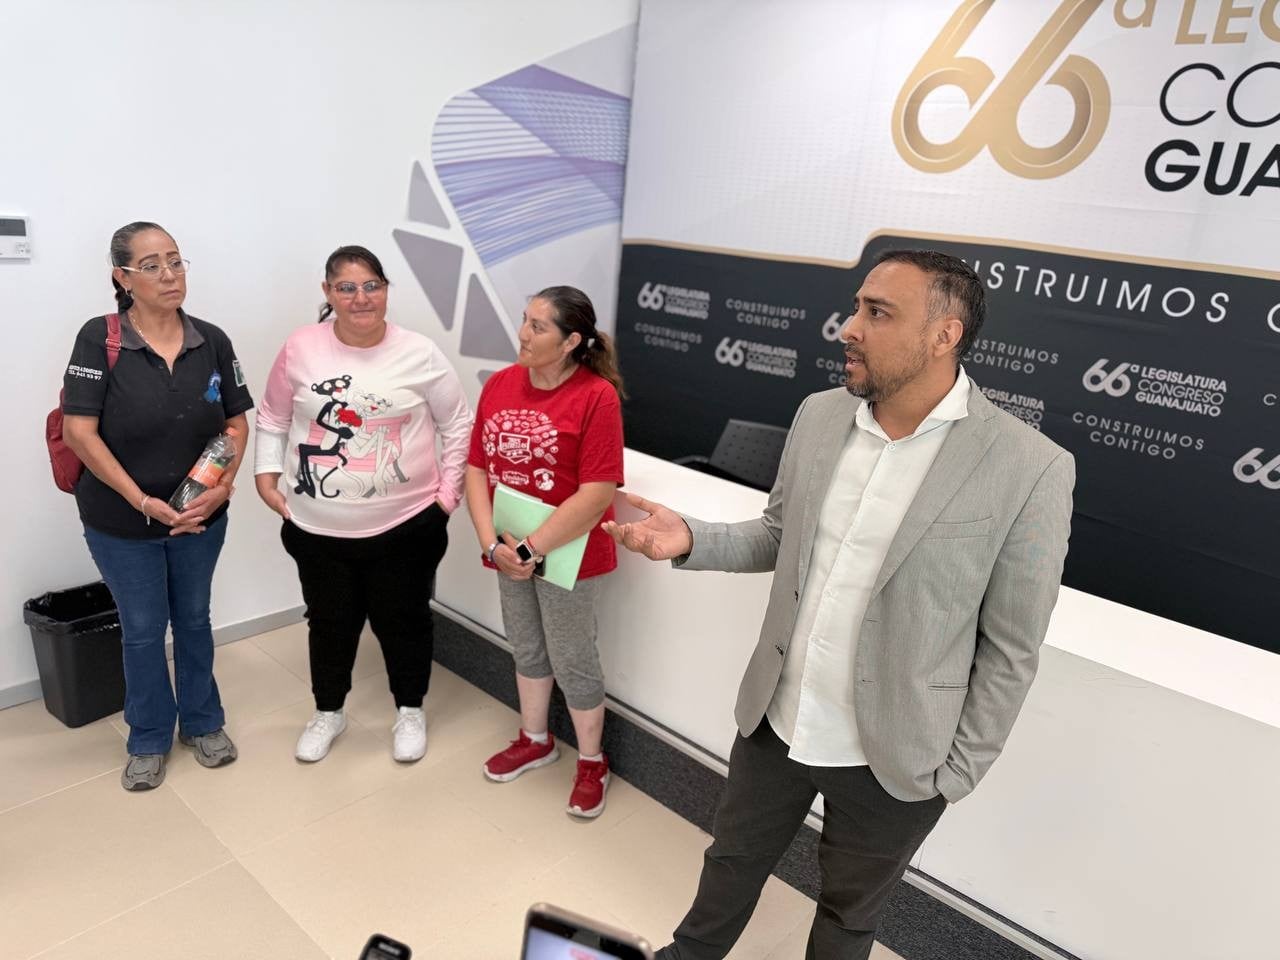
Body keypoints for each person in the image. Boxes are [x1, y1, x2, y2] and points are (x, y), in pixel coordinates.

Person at [604, 250, 1075, 959]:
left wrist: (955, 774)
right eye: (857, 307)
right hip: (776, 720)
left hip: (897, 759)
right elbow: (778, 534)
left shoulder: (1030, 465)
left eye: (877, 313)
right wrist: (692, 539)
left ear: (944, 335)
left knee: (848, 918)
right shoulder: (820, 415)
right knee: (729, 866)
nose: (848, 328)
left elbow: (1012, 646)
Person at [254, 245, 472, 764]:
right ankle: (328, 711)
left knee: (405, 620)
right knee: (329, 622)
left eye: (372, 285)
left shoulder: (419, 353)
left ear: (386, 290)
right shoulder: (301, 347)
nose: (361, 298)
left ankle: (410, 710)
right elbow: (273, 417)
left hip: (407, 525)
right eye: (347, 288)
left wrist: (447, 498)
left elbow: (458, 422)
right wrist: (266, 475)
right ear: (328, 293)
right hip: (317, 529)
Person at [61, 221, 253, 791]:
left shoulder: (211, 340)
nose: (169, 274)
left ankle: (203, 721)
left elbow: (236, 424)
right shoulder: (99, 339)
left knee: (194, 619)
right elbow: (78, 433)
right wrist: (142, 500)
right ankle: (147, 736)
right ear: (122, 277)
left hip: (199, 518)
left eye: (175, 260)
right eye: (151, 265)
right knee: (144, 631)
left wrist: (223, 487)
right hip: (121, 523)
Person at [466, 285, 625, 819]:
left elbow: (598, 492)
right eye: (525, 320)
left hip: (566, 553)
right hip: (509, 550)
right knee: (527, 646)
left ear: (571, 341)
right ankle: (535, 739)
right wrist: (492, 544)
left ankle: (592, 761)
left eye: (538, 326)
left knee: (573, 656)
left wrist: (532, 548)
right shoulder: (501, 383)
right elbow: (477, 468)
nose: (523, 334)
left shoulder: (596, 396)